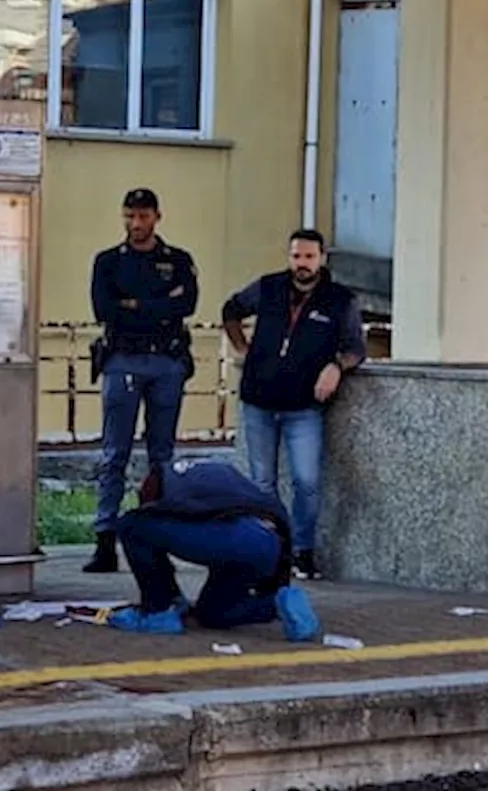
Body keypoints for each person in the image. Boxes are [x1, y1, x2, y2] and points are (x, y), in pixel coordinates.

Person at [222, 228, 367, 581]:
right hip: (258, 400)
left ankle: (303, 550)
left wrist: (337, 366)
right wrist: (244, 350)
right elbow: (230, 309)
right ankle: (269, 548)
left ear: (322, 259)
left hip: (304, 406)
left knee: (306, 481)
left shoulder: (339, 300)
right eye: (296, 256)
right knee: (262, 483)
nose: (301, 264)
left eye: (309, 257)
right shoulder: (268, 287)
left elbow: (356, 348)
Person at [84, 188, 199, 574]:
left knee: (162, 456)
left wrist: (135, 304)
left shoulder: (177, 260)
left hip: (166, 361)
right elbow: (105, 310)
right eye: (130, 216)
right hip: (123, 360)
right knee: (114, 453)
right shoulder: (108, 262)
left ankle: (157, 538)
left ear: (157, 217)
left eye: (143, 216)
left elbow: (186, 306)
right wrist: (156, 306)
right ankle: (105, 540)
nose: (136, 224)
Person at [108, 458, 322, 642]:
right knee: (212, 613)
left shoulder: (166, 485)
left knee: (132, 525)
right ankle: (277, 604)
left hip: (235, 539)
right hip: (267, 543)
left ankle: (158, 612)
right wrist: (279, 582)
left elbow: (160, 518)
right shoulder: (210, 473)